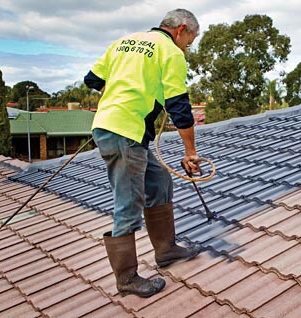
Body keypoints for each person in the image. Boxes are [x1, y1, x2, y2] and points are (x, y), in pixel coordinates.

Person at [84, 8, 201, 298]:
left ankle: (166, 249)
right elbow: (178, 105)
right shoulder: (170, 52)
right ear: (181, 29)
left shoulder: (125, 41)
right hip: (123, 131)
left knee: (159, 179)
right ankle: (127, 279)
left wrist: (126, 91)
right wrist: (190, 152)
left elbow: (92, 79)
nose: (188, 46)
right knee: (128, 201)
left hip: (121, 129)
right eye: (190, 39)